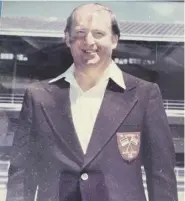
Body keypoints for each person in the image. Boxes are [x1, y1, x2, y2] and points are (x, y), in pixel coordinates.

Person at [6, 3, 178, 201]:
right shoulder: (38, 97)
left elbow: (161, 176)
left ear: (114, 40)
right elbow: (21, 175)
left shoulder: (145, 95)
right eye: (80, 32)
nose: (89, 41)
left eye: (98, 33)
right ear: (67, 38)